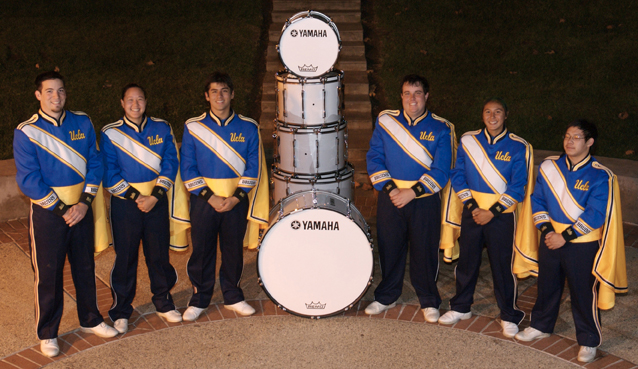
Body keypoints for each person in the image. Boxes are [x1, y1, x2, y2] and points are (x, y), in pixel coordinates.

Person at [13, 71, 118, 358]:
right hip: (49, 214)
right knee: (48, 275)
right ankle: (47, 333)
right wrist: (63, 209)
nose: (56, 96)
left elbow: (95, 163)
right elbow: (28, 180)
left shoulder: (82, 121)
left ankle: (91, 319)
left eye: (60, 91)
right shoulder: (26, 131)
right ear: (38, 95)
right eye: (49, 91)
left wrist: (84, 203)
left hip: (82, 209)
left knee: (85, 268)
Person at [514, 120, 627, 363]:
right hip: (551, 237)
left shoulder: (601, 175)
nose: (569, 141)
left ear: (589, 142)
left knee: (583, 292)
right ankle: (541, 325)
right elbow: (538, 200)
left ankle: (588, 340)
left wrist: (564, 237)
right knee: (546, 285)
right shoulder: (549, 166)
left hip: (582, 244)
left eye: (576, 137)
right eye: (567, 136)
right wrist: (546, 231)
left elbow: (595, 214)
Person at [438, 98, 533, 338]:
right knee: (467, 262)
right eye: (488, 112)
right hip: (472, 212)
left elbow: (518, 185)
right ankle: (461, 307)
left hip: (501, 216)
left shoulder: (518, 146)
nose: (492, 117)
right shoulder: (469, 140)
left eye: (498, 112)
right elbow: (458, 174)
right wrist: (472, 206)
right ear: (482, 115)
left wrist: (492, 211)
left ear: (506, 115)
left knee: (503, 267)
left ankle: (509, 315)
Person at [101, 84, 191, 332]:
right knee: (125, 258)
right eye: (130, 99)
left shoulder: (162, 127)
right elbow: (109, 173)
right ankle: (120, 311)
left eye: (140, 98)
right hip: (125, 206)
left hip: (156, 201)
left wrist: (155, 195)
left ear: (146, 101)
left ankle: (163, 302)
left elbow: (171, 162)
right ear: (122, 103)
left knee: (159, 255)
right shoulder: (110, 133)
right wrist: (136, 197)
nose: (135, 104)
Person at [365, 74, 455, 322]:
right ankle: (386, 295)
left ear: (426, 96)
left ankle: (428, 299)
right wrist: (392, 189)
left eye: (417, 93)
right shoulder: (386, 120)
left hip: (423, 199)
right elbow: (374, 157)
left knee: (424, 250)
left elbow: (442, 169)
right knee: (389, 248)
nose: (412, 98)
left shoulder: (442, 128)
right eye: (407, 93)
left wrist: (412, 192)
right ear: (401, 96)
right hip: (390, 196)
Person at [180, 72, 268, 321]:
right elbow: (187, 167)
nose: (220, 96)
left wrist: (236, 197)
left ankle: (233, 296)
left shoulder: (249, 126)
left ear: (233, 94)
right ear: (206, 96)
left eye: (225, 91)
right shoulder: (193, 126)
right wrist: (210, 197)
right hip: (203, 201)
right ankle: (199, 299)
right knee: (202, 251)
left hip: (235, 201)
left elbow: (254, 166)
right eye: (214, 91)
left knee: (232, 251)